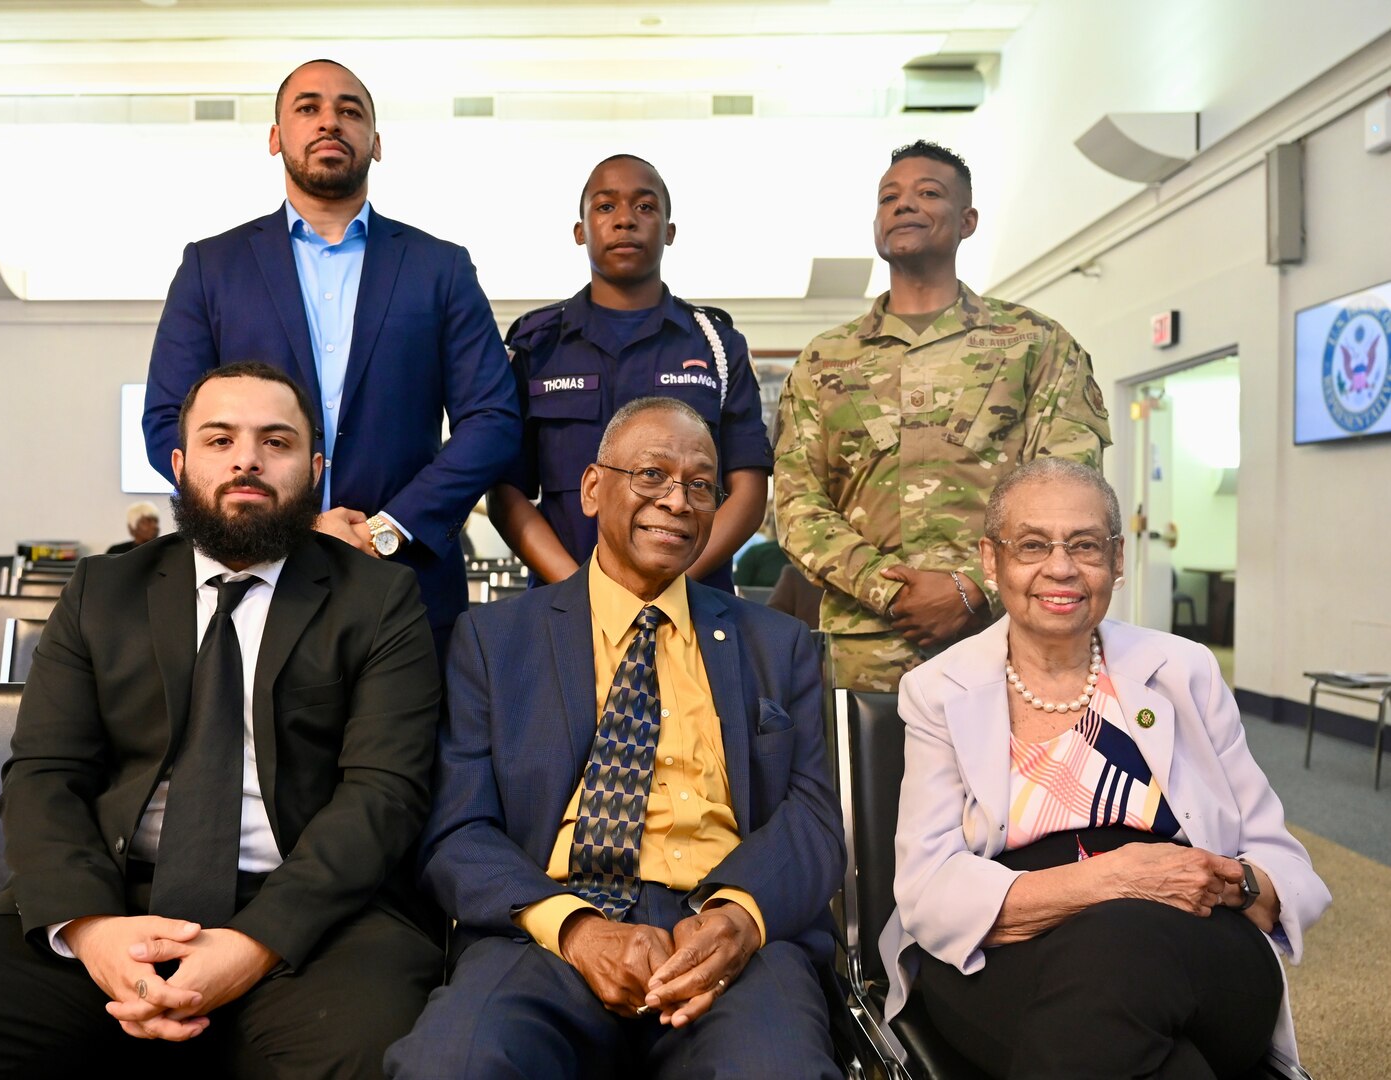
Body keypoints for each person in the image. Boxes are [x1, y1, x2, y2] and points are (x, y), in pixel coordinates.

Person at [0, 363, 444, 1079]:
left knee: (364, 1063)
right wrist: (89, 932)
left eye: (277, 441)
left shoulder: (377, 599)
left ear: (314, 469)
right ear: (178, 465)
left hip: (314, 914)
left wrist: (257, 941)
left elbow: (383, 795)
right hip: (113, 896)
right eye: (219, 440)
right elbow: (44, 776)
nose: (247, 458)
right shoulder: (102, 590)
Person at [387, 397, 844, 1079]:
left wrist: (738, 916)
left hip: (721, 927)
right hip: (549, 926)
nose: (678, 501)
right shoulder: (494, 639)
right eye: (652, 474)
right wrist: (574, 928)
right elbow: (457, 828)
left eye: (699, 485)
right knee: (452, 1064)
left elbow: (812, 816)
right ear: (595, 488)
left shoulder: (776, 644)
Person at [880, 458, 1330, 1078]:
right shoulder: (938, 690)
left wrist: (1236, 883)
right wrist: (1114, 880)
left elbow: (1285, 865)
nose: (1060, 567)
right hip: (1004, 950)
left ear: (1117, 560)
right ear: (992, 560)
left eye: (1085, 545)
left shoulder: (1184, 670)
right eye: (1032, 545)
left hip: (1193, 945)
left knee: (1119, 944)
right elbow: (929, 892)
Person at [142, 59, 520, 652]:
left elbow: (493, 421)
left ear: (375, 142)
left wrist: (385, 531)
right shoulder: (211, 268)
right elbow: (168, 422)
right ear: (275, 138)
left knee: (406, 748)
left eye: (350, 111)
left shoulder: (439, 268)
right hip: (252, 581)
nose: (329, 122)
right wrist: (287, 525)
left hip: (405, 581)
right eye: (308, 108)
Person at [774, 140, 1112, 692]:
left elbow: (1069, 491)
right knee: (869, 781)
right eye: (889, 198)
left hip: (1009, 636)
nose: (904, 205)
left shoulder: (1034, 344)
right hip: (867, 649)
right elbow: (797, 504)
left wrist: (974, 587)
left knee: (1018, 781)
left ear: (968, 220)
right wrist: (891, 589)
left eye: (928, 193)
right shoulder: (825, 359)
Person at [488, 155, 770, 593]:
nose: (625, 220)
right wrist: (580, 591)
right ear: (579, 231)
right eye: (605, 207)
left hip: (692, 607)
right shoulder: (537, 346)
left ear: (669, 231)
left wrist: (672, 587)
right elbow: (507, 492)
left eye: (645, 206)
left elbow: (748, 493)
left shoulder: (715, 345)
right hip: (566, 608)